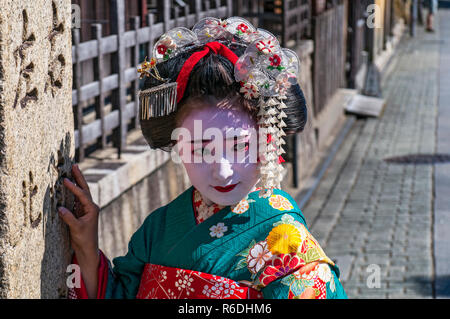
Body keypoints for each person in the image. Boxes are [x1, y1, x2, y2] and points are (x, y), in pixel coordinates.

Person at [59, 17, 347, 299]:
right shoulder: (159, 228)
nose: (222, 171)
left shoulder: (288, 243)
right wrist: (86, 243)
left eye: (239, 146)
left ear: (267, 138)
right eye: (199, 149)